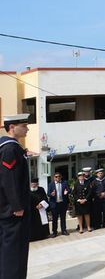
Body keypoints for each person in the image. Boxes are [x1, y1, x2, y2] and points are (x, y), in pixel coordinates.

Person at [0, 113, 31, 279]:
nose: (27, 129)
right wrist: (17, 206)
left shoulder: (11, 147)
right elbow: (9, 180)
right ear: (12, 127)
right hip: (13, 211)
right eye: (24, 126)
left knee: (13, 249)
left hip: (10, 209)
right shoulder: (10, 149)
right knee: (14, 251)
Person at [48, 172, 70, 237]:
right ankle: (54, 232)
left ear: (61, 177)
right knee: (54, 219)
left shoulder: (64, 183)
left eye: (59, 176)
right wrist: (51, 194)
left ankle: (64, 230)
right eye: (56, 176)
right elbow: (48, 193)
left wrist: (67, 192)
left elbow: (69, 190)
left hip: (62, 203)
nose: (57, 178)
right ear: (54, 177)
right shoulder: (51, 184)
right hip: (55, 204)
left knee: (63, 218)